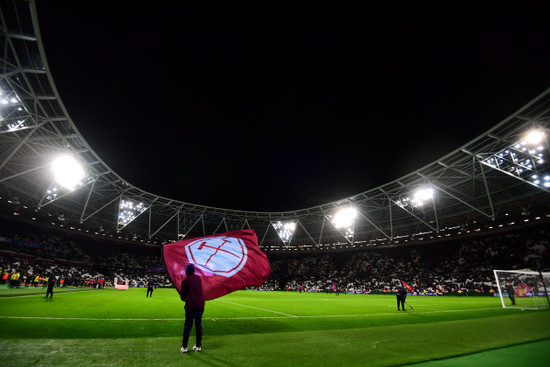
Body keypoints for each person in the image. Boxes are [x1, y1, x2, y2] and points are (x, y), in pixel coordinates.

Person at [180, 264, 205, 354]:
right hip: (200, 304)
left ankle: (185, 347)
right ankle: (198, 346)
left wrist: (184, 297)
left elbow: (182, 296)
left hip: (191, 306)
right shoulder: (198, 279)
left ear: (187, 271)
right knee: (198, 325)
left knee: (188, 325)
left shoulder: (185, 280)